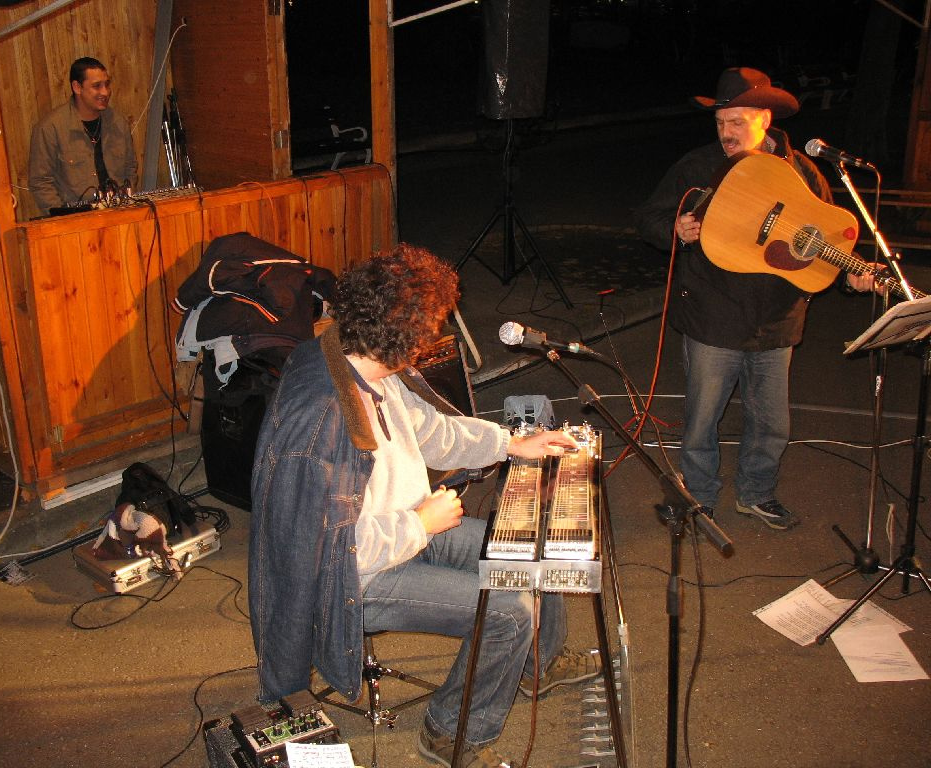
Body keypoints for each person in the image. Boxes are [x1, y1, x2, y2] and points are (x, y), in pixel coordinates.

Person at [249, 244, 599, 768]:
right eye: (431, 326)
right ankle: (450, 732)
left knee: (532, 550)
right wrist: (418, 523)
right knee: (508, 611)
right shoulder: (321, 422)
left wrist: (509, 443)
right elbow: (325, 554)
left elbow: (432, 432)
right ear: (403, 337)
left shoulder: (361, 357)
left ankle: (538, 664)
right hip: (355, 579)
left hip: (410, 525)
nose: (435, 336)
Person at [637, 67, 880, 531]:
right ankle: (700, 498)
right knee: (701, 420)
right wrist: (676, 230)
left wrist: (853, 277)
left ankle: (757, 494)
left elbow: (827, 240)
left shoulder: (803, 171)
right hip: (714, 313)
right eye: (720, 122)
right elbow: (649, 217)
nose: (725, 132)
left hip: (779, 319)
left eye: (736, 122)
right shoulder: (699, 166)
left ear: (765, 120)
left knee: (772, 424)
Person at [28, 56, 138, 214]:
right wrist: (64, 217)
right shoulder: (50, 128)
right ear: (77, 87)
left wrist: (125, 201)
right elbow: (40, 181)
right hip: (75, 222)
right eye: (97, 86)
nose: (105, 92)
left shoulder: (118, 123)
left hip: (119, 215)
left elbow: (130, 167)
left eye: (107, 84)